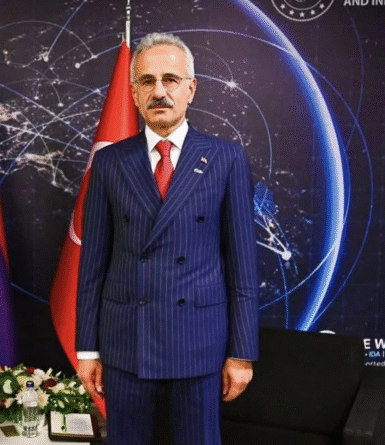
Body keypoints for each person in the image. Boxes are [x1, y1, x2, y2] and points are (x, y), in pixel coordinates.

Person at [76, 32, 259, 445]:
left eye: (171, 80)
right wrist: (88, 350)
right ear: (134, 93)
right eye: (147, 81)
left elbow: (243, 266)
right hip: (126, 346)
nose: (159, 91)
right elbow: (92, 267)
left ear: (191, 89)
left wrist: (242, 352)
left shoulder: (226, 159)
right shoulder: (109, 162)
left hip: (199, 345)